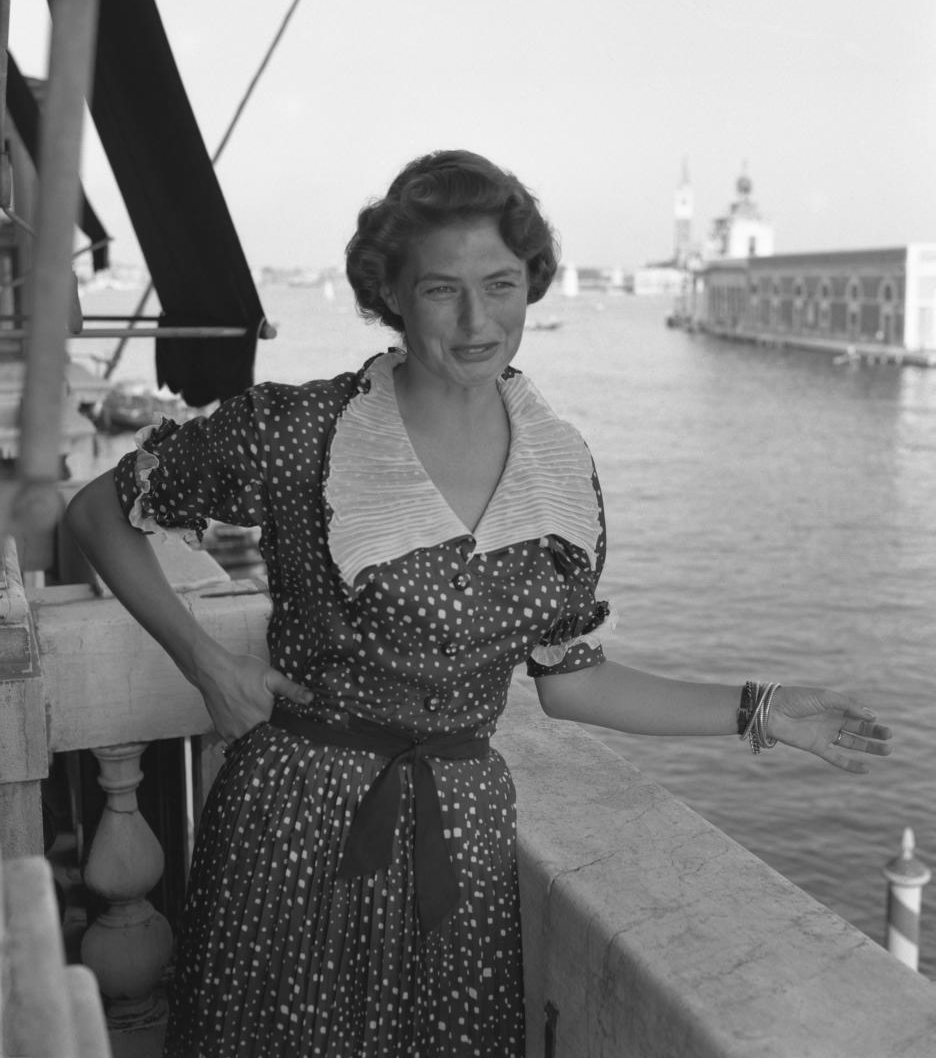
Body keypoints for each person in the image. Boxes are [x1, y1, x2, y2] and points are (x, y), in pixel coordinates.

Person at [65, 150, 892, 1058]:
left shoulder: (562, 465)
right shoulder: (301, 432)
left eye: (501, 285)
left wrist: (760, 709)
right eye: (441, 291)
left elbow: (571, 681)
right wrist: (206, 663)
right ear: (389, 291)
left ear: (533, 283)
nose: (477, 321)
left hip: (458, 840)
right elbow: (99, 510)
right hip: (294, 826)